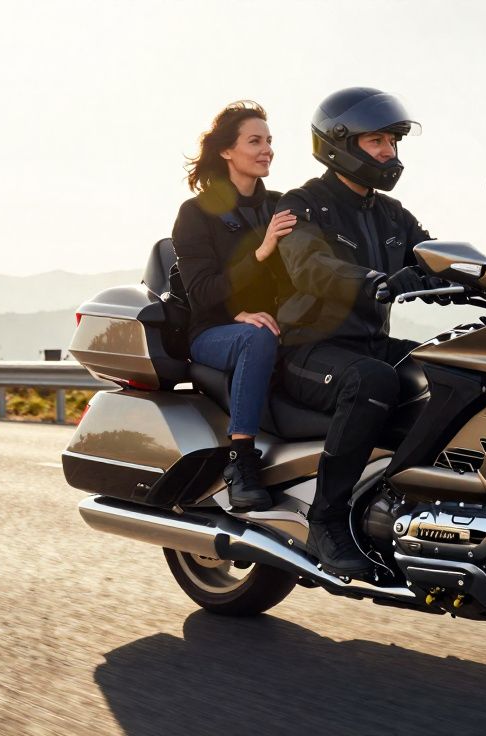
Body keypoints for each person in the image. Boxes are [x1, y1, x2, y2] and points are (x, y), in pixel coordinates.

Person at [273, 87, 442, 576]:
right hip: (310, 348)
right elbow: (310, 266)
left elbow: (437, 254)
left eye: (393, 142)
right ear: (339, 142)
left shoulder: (392, 215)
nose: (389, 152)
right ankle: (326, 522)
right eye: (377, 142)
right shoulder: (303, 204)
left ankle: (415, 508)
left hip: (368, 344)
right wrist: (379, 283)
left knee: (450, 371)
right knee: (372, 380)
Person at [172, 101, 297, 512]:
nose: (267, 150)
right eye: (255, 141)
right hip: (212, 331)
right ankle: (241, 461)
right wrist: (260, 253)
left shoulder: (280, 205)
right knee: (256, 336)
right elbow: (202, 294)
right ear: (227, 151)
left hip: (273, 323)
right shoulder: (196, 214)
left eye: (270, 141)